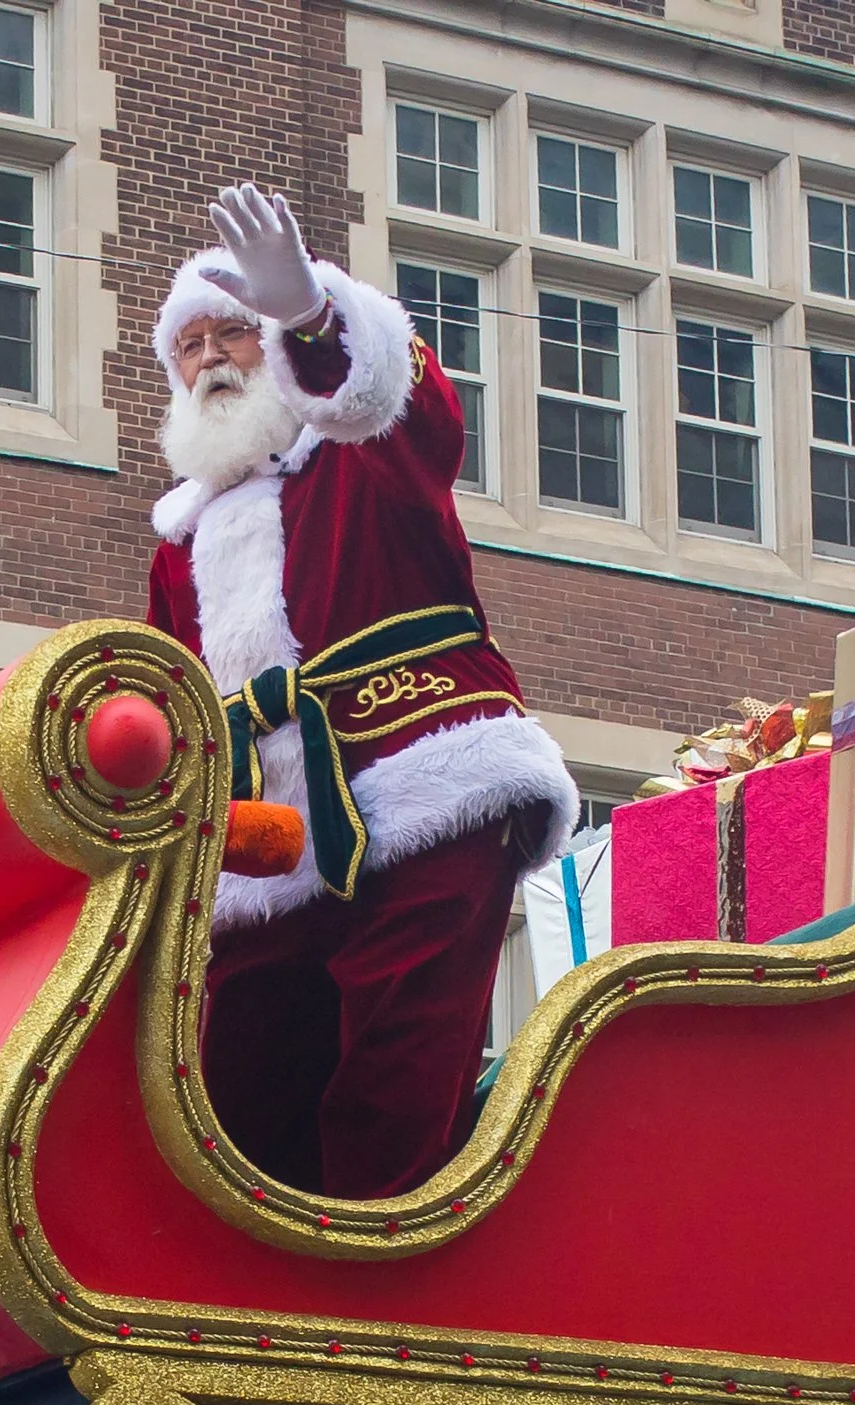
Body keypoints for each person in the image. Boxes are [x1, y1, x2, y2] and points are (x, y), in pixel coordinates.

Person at [145, 184, 577, 1201]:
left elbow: (397, 396)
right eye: (189, 343)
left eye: (234, 334)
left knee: (389, 1090)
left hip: (426, 786)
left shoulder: (361, 447)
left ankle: (379, 1294)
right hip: (268, 831)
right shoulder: (183, 543)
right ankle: (260, 1304)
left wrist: (310, 316)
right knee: (234, 1092)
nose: (211, 358)